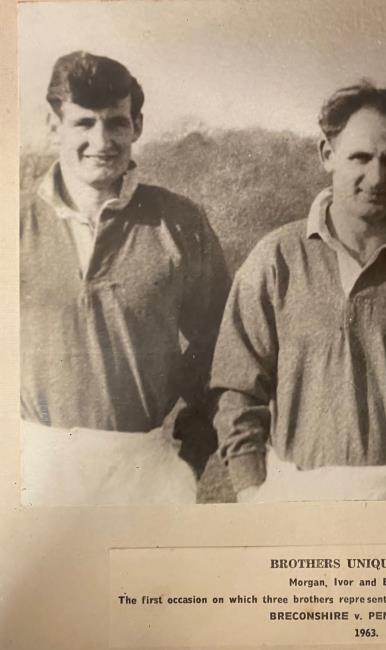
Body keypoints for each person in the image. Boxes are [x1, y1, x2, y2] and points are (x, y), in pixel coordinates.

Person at [211, 82, 386, 502]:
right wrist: (252, 491)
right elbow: (237, 388)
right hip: (295, 492)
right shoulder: (275, 258)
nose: (377, 177)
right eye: (360, 157)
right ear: (327, 154)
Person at [20, 51, 230, 505]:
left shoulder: (180, 222)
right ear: (54, 127)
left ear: (137, 125)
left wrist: (190, 456)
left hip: (144, 471)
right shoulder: (13, 223)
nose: (102, 140)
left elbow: (222, 346)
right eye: (83, 123)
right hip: (30, 470)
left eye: (116, 123)